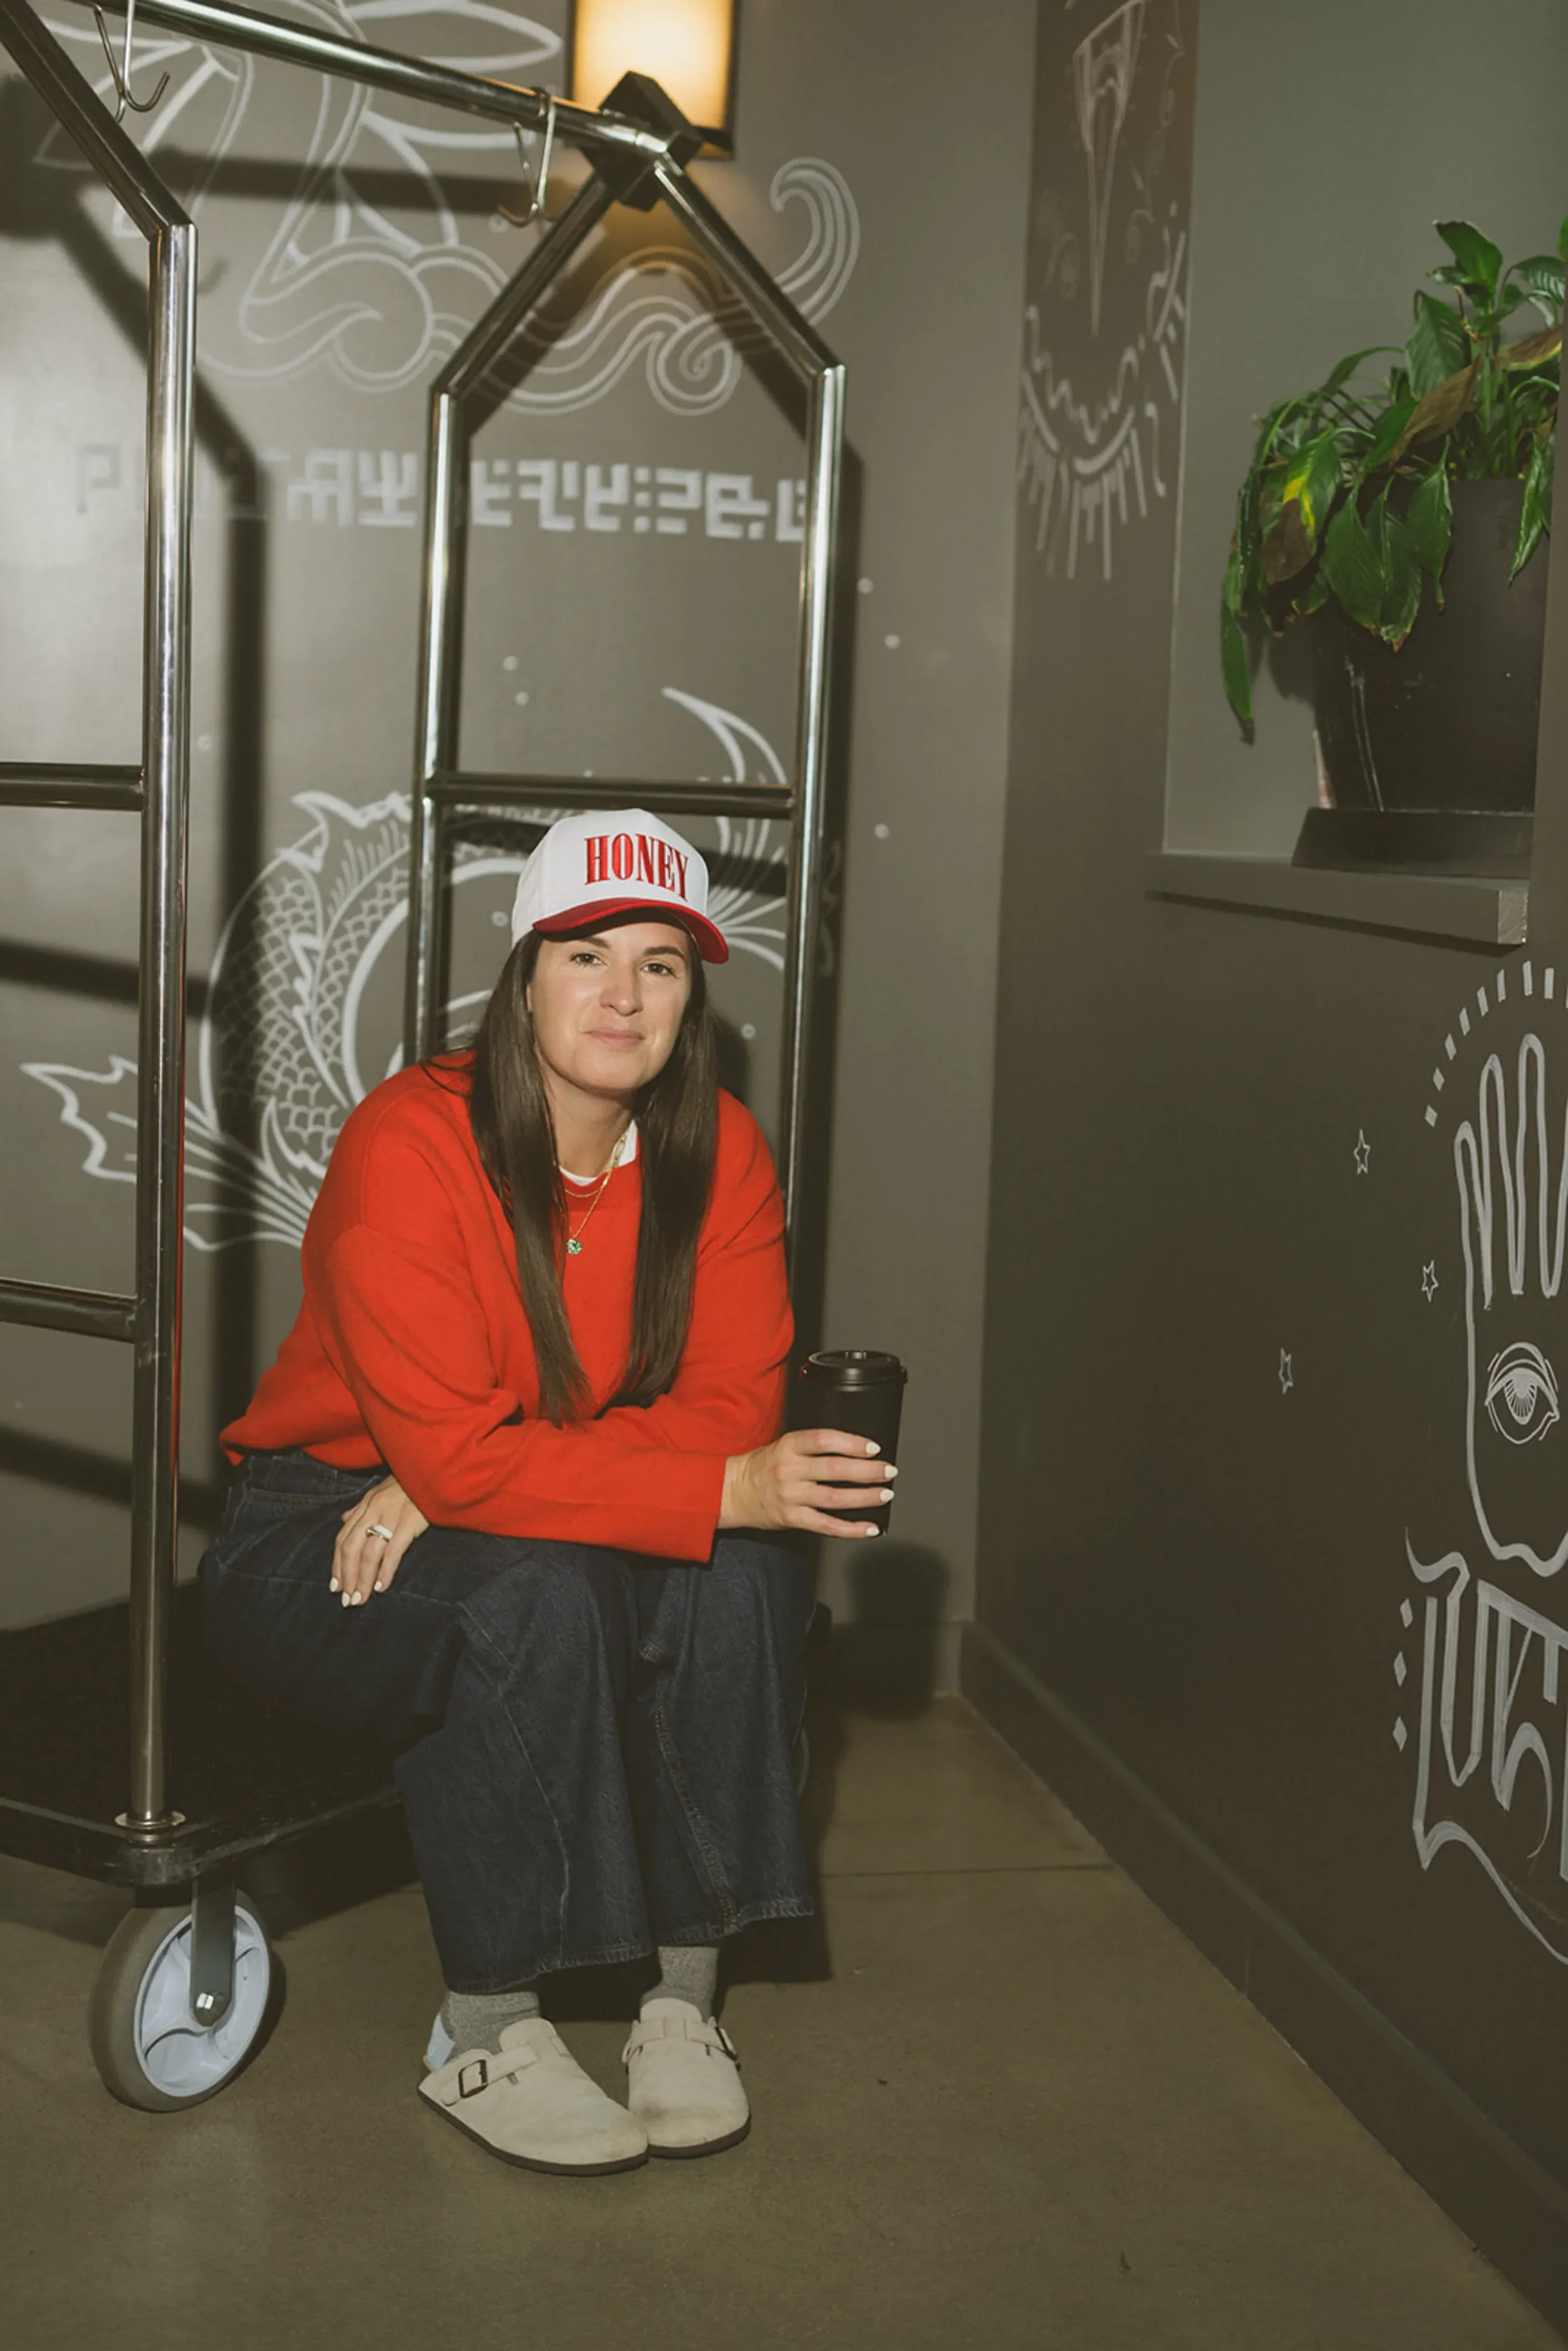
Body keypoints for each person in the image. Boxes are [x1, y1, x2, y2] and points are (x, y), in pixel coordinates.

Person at [200, 807, 893, 2176]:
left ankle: (678, 2000)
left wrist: (465, 1470)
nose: (621, 994)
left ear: (694, 996)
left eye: (660, 961)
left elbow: (722, 1417)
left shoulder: (720, 1154)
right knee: (535, 1580)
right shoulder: (411, 1142)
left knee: (741, 1559)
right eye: (583, 954)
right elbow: (559, 1454)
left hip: (487, 1499)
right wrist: (450, 1469)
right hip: (310, 1527)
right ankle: (484, 2026)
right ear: (521, 973)